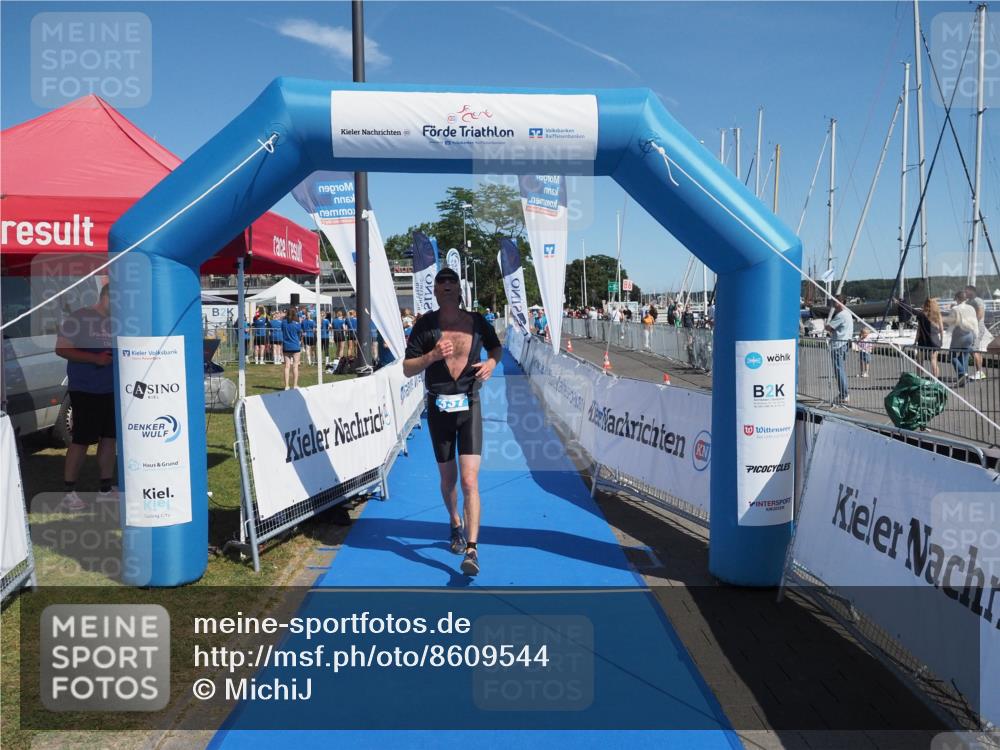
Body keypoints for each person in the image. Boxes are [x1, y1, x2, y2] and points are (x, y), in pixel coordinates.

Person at [403, 268, 502, 577]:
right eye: (440, 284)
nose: (446, 288)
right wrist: (431, 356)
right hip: (438, 407)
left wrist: (491, 363)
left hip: (469, 403)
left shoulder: (476, 322)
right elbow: (407, 368)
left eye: (451, 284)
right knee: (449, 480)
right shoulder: (425, 325)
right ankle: (455, 522)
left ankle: (472, 550)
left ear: (460, 291)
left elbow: (496, 347)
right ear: (434, 292)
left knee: (470, 480)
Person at [54, 283, 116, 511]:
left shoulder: (117, 322)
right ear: (107, 297)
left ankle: (105, 489)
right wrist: (95, 359)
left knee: (110, 438)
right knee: (81, 440)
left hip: (111, 389)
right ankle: (68, 492)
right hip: (86, 389)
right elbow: (61, 349)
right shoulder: (78, 318)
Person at [897, 297, 943, 378]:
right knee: (933, 360)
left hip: (923, 340)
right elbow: (941, 329)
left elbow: (919, 330)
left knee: (920, 360)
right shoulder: (937, 314)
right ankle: (936, 379)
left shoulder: (921, 314)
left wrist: (915, 341)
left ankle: (919, 377)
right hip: (934, 340)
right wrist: (941, 340)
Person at [825, 296, 853, 404]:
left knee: (838, 370)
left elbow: (829, 328)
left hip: (839, 344)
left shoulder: (841, 315)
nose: (833, 305)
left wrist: (826, 325)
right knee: (840, 369)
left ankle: (844, 394)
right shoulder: (848, 314)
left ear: (841, 302)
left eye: (835, 303)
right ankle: (844, 393)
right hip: (844, 343)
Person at [947, 291, 978, 387]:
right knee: (964, 356)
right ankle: (963, 380)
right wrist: (975, 335)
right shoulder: (971, 308)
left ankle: (962, 374)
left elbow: (951, 322)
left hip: (958, 335)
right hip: (969, 334)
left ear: (957, 298)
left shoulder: (955, 308)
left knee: (952, 356)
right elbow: (975, 321)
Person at [966, 285, 988, 380]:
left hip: (977, 328)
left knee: (974, 349)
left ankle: (980, 372)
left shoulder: (977, 300)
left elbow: (980, 314)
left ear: (971, 291)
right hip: (972, 328)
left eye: (966, 291)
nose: (965, 293)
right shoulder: (969, 301)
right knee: (975, 350)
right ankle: (980, 371)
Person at [281, 307, 302, 389]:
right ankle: (295, 385)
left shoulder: (283, 323)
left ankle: (286, 386)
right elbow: (299, 333)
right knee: (295, 366)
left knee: (287, 366)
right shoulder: (296, 324)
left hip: (286, 346)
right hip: (295, 346)